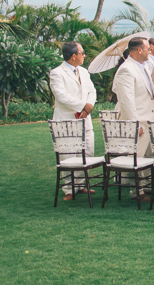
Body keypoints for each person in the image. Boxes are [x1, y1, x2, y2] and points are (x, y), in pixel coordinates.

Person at [49, 41, 97, 201]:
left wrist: (88, 107)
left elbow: (92, 90)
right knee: (68, 155)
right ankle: (69, 189)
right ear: (73, 55)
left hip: (85, 119)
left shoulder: (84, 72)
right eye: (82, 53)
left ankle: (81, 184)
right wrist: (83, 105)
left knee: (87, 152)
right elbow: (61, 96)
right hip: (67, 120)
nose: (84, 56)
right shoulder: (57, 73)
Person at [113, 37, 154, 201]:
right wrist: (135, 123)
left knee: (147, 156)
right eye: (147, 48)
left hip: (149, 118)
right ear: (139, 50)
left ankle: (146, 186)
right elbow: (127, 100)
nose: (150, 51)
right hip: (139, 120)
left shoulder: (143, 67)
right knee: (136, 157)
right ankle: (136, 192)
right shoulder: (126, 69)